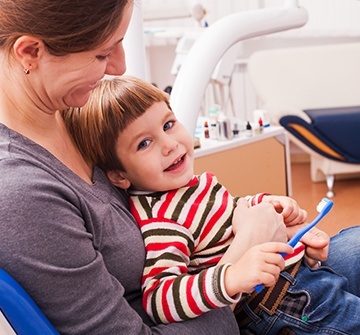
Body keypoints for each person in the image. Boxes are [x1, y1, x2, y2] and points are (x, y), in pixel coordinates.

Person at [63, 76, 360, 334]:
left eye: (168, 124)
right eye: (144, 143)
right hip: (282, 302)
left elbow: (228, 215)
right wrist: (230, 277)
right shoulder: (163, 220)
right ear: (119, 176)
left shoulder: (190, 186)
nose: (169, 144)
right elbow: (159, 299)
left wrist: (268, 204)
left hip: (298, 276)